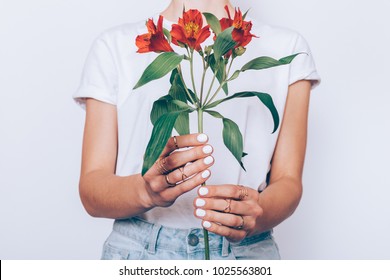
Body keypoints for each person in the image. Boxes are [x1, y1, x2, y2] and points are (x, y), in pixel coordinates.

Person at [73, 0, 320, 260]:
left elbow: (289, 182)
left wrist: (257, 213)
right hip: (139, 252)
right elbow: (92, 190)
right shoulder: (112, 46)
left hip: (244, 251)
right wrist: (145, 191)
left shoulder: (288, 46)